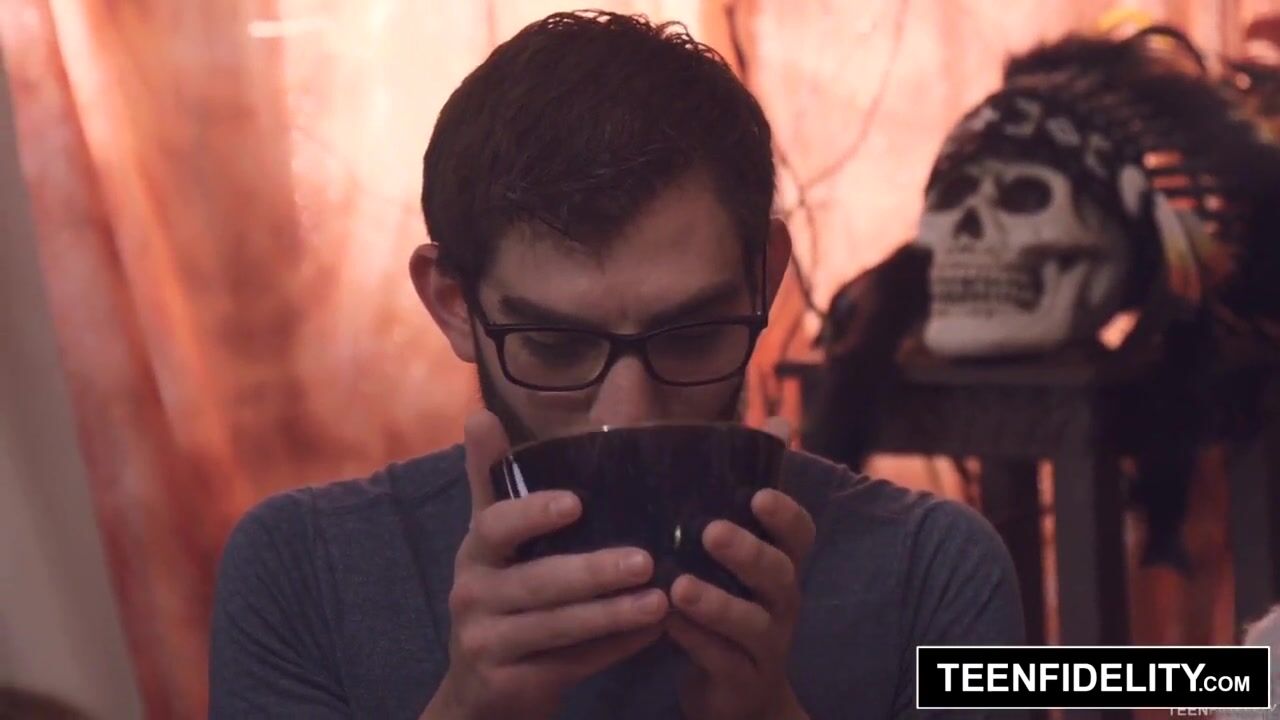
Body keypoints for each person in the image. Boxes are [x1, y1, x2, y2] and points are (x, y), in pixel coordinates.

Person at [209, 10, 1024, 719]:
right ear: (453, 303)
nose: (627, 413)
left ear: (765, 278)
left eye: (691, 334)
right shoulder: (302, 571)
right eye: (557, 346)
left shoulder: (936, 571)